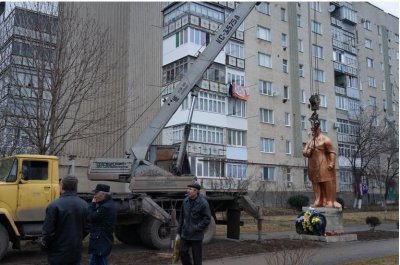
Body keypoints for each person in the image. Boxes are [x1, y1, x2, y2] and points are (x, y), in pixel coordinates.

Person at [41, 175, 89, 265]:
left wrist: (44, 245)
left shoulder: (54, 206)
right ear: (75, 187)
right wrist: (76, 239)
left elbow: (48, 231)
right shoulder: (84, 205)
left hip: (58, 253)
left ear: (62, 187)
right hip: (75, 251)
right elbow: (87, 228)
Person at [303, 120, 341, 208]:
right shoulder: (310, 141)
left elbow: (332, 152)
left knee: (326, 181)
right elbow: (304, 152)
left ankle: (329, 201)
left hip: (323, 163)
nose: (313, 131)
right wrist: (309, 151)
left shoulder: (326, 139)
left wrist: (331, 163)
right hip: (313, 165)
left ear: (319, 129)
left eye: (314, 129)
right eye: (312, 129)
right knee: (315, 182)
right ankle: (318, 200)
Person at [178, 182, 211, 265]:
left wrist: (196, 228)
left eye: (190, 189)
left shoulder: (203, 203)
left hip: (196, 235)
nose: (188, 191)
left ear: (196, 191)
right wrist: (179, 231)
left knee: (197, 258)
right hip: (185, 234)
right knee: (182, 252)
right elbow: (182, 217)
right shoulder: (185, 201)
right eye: (188, 189)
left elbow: (207, 219)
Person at [88, 183, 117, 265]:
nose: (94, 196)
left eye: (96, 193)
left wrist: (93, 204)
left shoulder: (105, 207)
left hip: (100, 240)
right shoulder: (107, 205)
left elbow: (91, 216)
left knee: (101, 261)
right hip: (100, 240)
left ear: (103, 194)